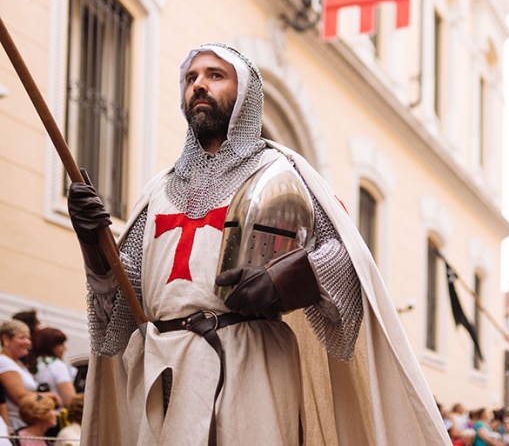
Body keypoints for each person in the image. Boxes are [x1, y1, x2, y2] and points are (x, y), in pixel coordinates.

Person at [68, 43, 449, 445]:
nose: (199, 85)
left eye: (215, 76)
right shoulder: (158, 189)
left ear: (246, 93)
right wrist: (94, 243)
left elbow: (343, 259)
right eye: (191, 78)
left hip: (250, 361)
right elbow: (118, 313)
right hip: (167, 369)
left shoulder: (280, 170)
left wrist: (288, 279)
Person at [0, 320, 39, 432]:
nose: (28, 342)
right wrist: (48, 397)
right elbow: (20, 398)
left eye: (29, 338)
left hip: (26, 426)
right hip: (16, 426)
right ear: (6, 339)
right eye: (22, 337)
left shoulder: (18, 363)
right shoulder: (3, 361)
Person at [32, 328, 76, 408]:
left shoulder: (33, 363)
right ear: (51, 346)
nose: (65, 349)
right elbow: (70, 401)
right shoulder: (56, 365)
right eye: (61, 345)